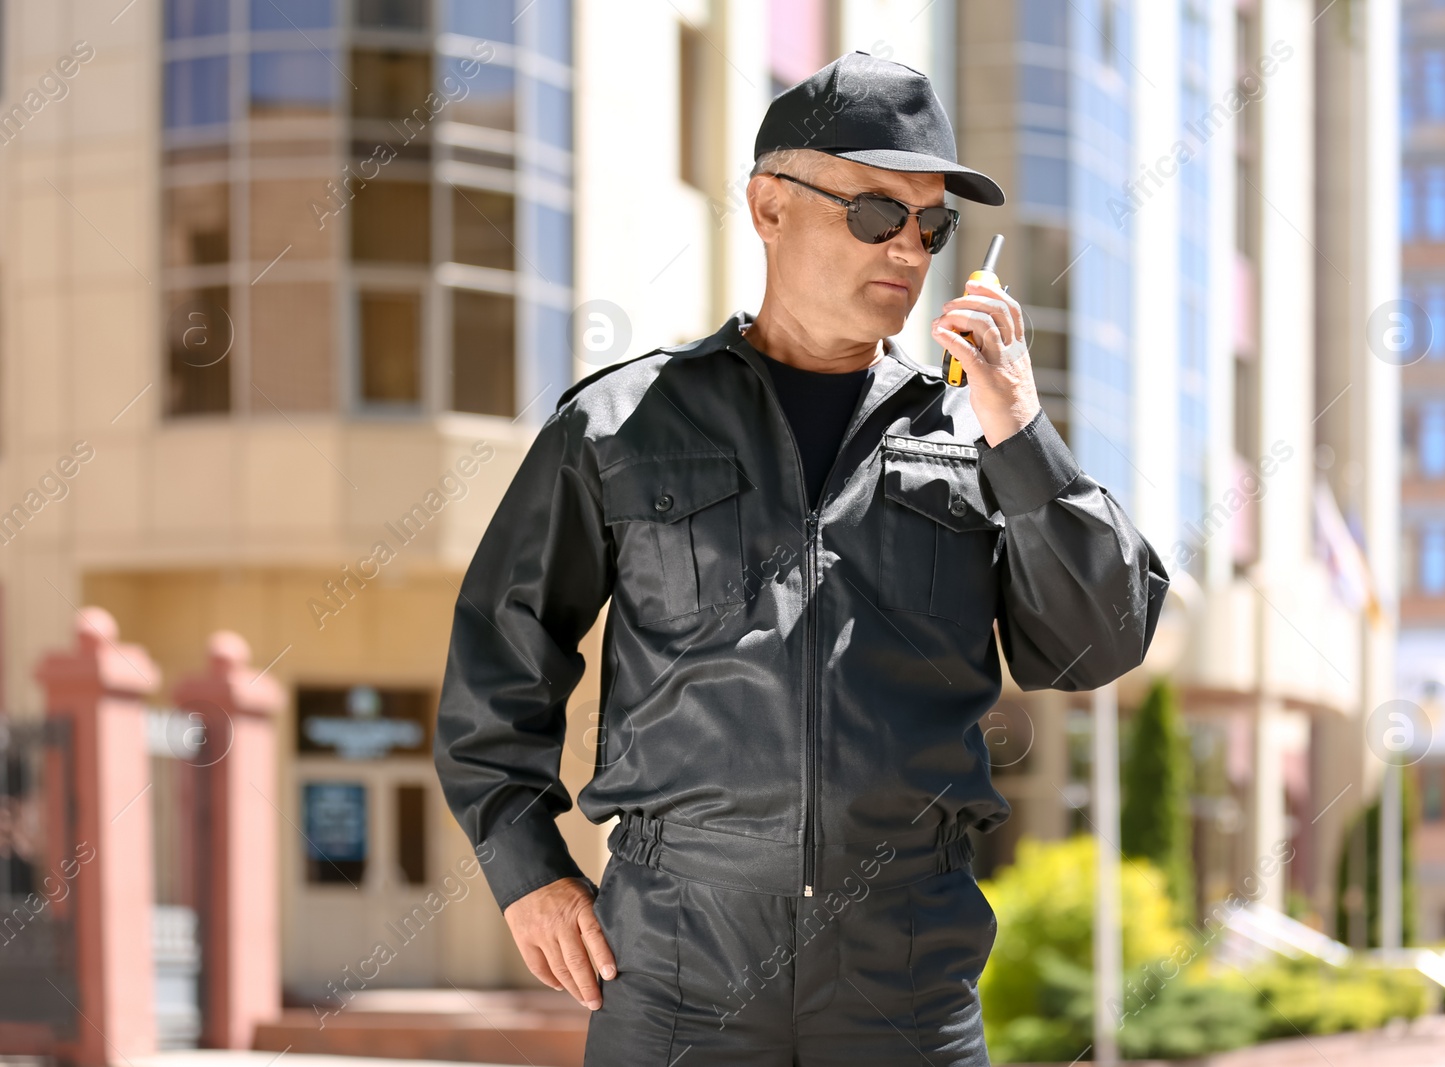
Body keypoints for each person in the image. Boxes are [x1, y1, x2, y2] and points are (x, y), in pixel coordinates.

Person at [434, 50, 1169, 1066]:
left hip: (905, 975)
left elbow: (1096, 644)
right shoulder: (620, 423)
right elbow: (497, 658)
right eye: (874, 212)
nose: (907, 249)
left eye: (931, 225)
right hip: (676, 967)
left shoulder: (975, 435)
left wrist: (1023, 430)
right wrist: (526, 866)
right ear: (769, 206)